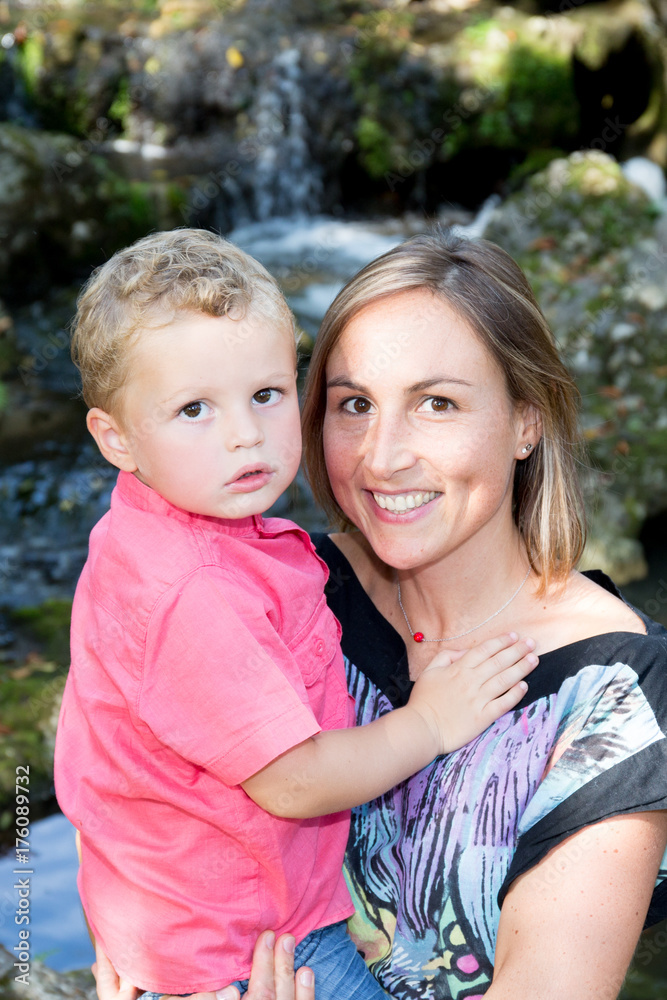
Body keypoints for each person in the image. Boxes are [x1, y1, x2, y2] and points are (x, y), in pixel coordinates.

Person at [148, 230, 667, 1000]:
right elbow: (136, 781)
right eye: (353, 404)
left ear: (526, 420)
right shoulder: (284, 591)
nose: (382, 456)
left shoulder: (617, 695)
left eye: (436, 403)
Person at [54, 229, 539, 1000]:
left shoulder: (157, 531)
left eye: (266, 395)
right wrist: (432, 722)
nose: (243, 433)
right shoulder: (195, 591)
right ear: (116, 438)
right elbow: (293, 783)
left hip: (194, 928)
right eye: (193, 410)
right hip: (252, 957)